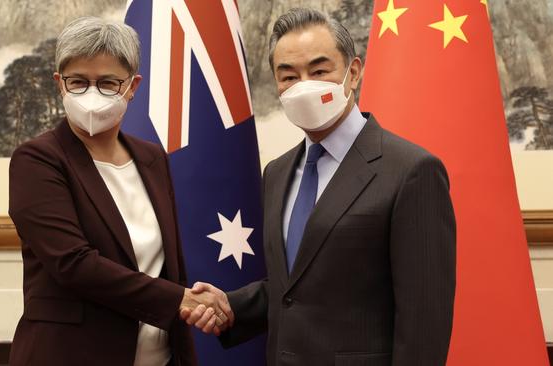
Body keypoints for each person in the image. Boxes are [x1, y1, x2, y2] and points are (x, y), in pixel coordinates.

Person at [182, 7, 456, 365]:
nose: (303, 85)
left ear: (353, 72)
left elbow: (424, 324)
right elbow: (298, 286)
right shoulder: (277, 173)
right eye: (288, 76)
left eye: (319, 70)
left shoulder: (412, 171)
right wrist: (230, 306)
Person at [8, 17, 230, 366]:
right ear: (59, 84)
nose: (92, 94)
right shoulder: (37, 160)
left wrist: (186, 302)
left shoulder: (151, 157)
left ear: (132, 87)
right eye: (78, 81)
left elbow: (166, 265)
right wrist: (178, 299)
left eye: (108, 83)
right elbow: (73, 264)